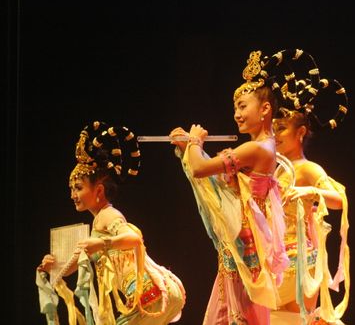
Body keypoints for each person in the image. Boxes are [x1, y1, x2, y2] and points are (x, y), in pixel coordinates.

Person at [170, 49, 330, 324]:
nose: (237, 114)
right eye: (236, 108)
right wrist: (189, 149)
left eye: (243, 106)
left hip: (247, 248)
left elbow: (199, 169)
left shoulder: (258, 148)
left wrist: (195, 141)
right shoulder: (261, 148)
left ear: (265, 109)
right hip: (243, 247)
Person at [37, 121, 186, 325]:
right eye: (71, 189)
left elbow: (134, 239)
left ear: (99, 191)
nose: (73, 195)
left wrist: (102, 244)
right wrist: (51, 267)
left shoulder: (107, 216)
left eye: (78, 188)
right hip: (156, 295)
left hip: (149, 294)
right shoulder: (97, 228)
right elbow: (72, 265)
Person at [271, 74, 350, 324]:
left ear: (301, 132)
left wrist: (311, 192)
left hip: (299, 260)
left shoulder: (306, 168)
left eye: (281, 128)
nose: (276, 135)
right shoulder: (277, 169)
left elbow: (338, 199)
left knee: (294, 320)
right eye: (273, 130)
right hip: (277, 257)